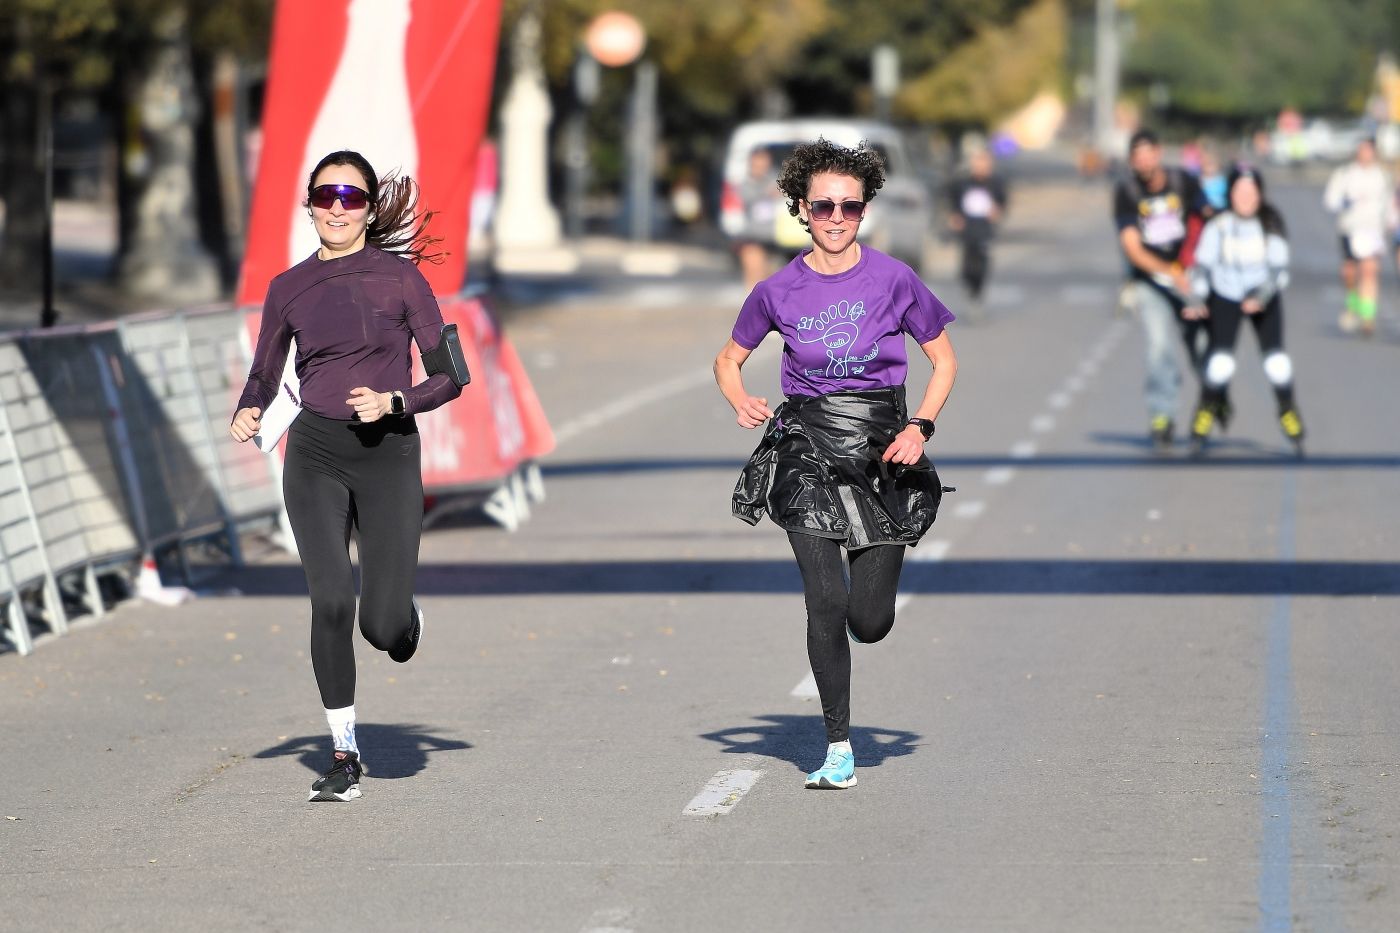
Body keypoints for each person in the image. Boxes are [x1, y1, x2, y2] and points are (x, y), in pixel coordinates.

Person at [715, 138, 957, 790]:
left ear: (864, 209)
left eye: (850, 205)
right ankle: (839, 746)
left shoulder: (893, 279)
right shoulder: (777, 290)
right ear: (800, 208)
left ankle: (870, 615)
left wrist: (919, 426)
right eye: (823, 204)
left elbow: (944, 359)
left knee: (868, 621)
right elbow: (728, 360)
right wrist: (740, 397)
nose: (836, 215)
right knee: (824, 598)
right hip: (806, 449)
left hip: (881, 449)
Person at [229, 150, 464, 802]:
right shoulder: (288, 287)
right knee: (330, 599)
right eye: (325, 195)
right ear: (309, 205)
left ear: (367, 209)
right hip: (315, 455)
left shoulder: (401, 280)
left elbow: (452, 374)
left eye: (351, 196)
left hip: (387, 453)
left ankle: (402, 616)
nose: (337, 207)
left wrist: (397, 402)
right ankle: (344, 753)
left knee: (381, 627)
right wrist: (248, 406)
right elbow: (264, 371)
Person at [1188, 164, 1305, 456]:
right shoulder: (1219, 225)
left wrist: (1261, 295)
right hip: (1225, 295)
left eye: (1251, 192)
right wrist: (1198, 299)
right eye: (1240, 191)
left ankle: (1288, 411)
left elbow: (1279, 270)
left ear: (1260, 194)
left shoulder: (1271, 222)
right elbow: (1202, 266)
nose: (1246, 198)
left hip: (1263, 297)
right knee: (1220, 363)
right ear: (1230, 194)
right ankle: (1203, 416)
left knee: (1276, 363)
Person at [1113, 129, 1213, 451]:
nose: (1143, 161)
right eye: (1136, 156)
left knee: (1201, 346)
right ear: (1132, 161)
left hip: (1190, 280)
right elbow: (1131, 247)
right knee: (1159, 350)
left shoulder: (1184, 181)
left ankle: (1212, 402)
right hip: (1152, 282)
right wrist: (1167, 271)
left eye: (1148, 153)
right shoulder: (1127, 191)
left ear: (1158, 153)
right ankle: (1162, 416)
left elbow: (1206, 218)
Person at [1324, 138, 1397, 337]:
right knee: (1350, 272)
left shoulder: (1382, 175)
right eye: (1362, 150)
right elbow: (1331, 200)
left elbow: (1389, 201)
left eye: (1369, 150)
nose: (1365, 154)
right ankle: (1352, 301)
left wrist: (1392, 220)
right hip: (1350, 228)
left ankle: (1368, 317)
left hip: (1373, 229)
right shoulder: (1345, 174)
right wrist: (1343, 203)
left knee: (1370, 270)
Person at [945, 148, 1008, 311]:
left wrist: (997, 211)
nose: (981, 167)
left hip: (985, 229)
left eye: (984, 163)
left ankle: (977, 292)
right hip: (967, 228)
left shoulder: (996, 183)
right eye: (977, 163)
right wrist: (955, 215)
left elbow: (1002, 202)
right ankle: (969, 287)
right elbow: (952, 198)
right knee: (967, 263)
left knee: (981, 263)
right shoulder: (962, 183)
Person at [735, 148, 781, 290]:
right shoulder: (746, 183)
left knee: (773, 276)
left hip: (776, 235)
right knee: (754, 270)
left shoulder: (776, 178)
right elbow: (746, 197)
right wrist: (767, 193)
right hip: (754, 235)